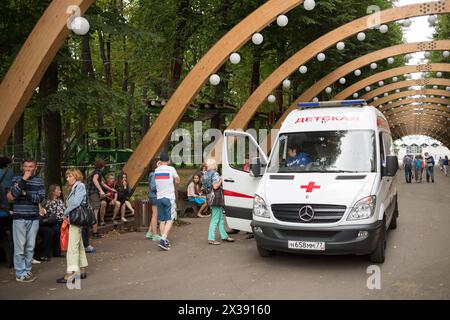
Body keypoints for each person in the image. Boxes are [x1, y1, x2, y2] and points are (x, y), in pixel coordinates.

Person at [9, 159, 45, 282]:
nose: (28, 169)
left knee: (30, 247)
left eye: (31, 166)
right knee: (20, 247)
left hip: (34, 218)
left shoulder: (39, 181)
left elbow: (40, 198)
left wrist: (25, 193)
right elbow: (14, 194)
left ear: (35, 168)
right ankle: (20, 273)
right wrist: (23, 180)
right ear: (22, 168)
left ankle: (27, 270)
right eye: (26, 166)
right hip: (19, 217)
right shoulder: (16, 179)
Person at [57, 169, 88, 283]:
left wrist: (65, 212)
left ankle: (71, 274)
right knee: (78, 245)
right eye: (67, 176)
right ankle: (82, 269)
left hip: (76, 220)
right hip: (76, 220)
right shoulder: (77, 187)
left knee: (72, 248)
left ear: (76, 177)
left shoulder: (79, 186)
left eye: (70, 176)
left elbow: (76, 202)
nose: (67, 178)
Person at [203, 158, 234, 245]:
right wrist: (221, 179)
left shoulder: (205, 174)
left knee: (220, 219)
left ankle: (224, 236)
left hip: (209, 197)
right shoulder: (215, 173)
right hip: (216, 198)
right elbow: (216, 186)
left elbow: (204, 186)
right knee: (215, 219)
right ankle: (211, 238)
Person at [154, 153, 180, 251]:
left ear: (160, 160)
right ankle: (163, 239)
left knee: (162, 220)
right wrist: (176, 179)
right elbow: (177, 181)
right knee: (170, 219)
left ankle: (164, 239)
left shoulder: (156, 170)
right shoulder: (171, 169)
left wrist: (158, 165)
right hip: (169, 198)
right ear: (168, 161)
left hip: (159, 198)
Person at [42, 184, 66, 258]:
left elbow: (64, 211)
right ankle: (56, 252)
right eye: (58, 190)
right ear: (53, 192)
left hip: (63, 221)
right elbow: (50, 216)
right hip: (55, 222)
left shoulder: (60, 201)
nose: (60, 191)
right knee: (56, 228)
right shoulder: (49, 202)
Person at [146, 158, 161, 241]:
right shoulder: (153, 174)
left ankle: (149, 232)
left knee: (154, 215)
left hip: (154, 196)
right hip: (154, 196)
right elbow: (153, 187)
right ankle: (155, 235)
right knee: (155, 215)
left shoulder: (154, 173)